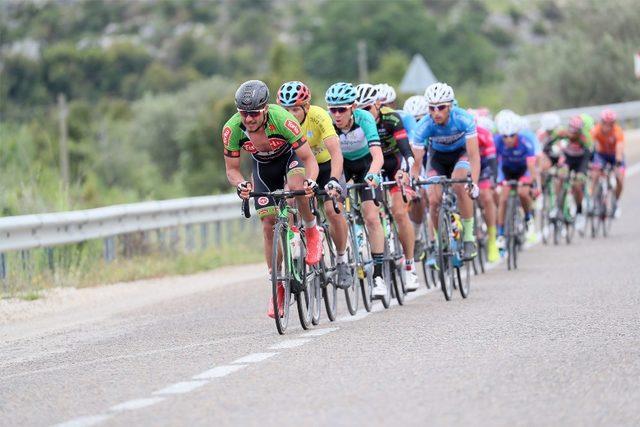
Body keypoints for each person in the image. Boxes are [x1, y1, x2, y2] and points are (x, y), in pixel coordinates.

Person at [223, 80, 321, 319]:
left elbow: (309, 159)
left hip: (290, 160)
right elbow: (232, 170)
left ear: (265, 108)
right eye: (244, 113)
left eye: (254, 113)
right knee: (268, 224)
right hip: (263, 169)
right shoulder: (232, 129)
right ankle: (277, 284)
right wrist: (241, 185)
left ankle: (310, 229)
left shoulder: (282, 119)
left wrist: (311, 182)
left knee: (297, 189)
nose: (249, 119)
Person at [276, 81, 352, 288]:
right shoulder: (280, 124)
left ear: (306, 107)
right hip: (300, 167)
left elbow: (336, 153)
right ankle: (295, 258)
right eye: (286, 110)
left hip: (326, 166)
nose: (290, 115)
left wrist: (334, 180)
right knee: (289, 200)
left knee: (331, 209)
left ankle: (341, 259)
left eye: (294, 109)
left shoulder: (319, 116)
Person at [325, 82, 387, 297]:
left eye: (342, 109)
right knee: (334, 211)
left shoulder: (365, 118)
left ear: (353, 107)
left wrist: (373, 172)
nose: (337, 114)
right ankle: (343, 256)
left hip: (365, 166)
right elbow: (328, 158)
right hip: (342, 167)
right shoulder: (328, 123)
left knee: (371, 217)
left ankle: (378, 275)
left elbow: (377, 155)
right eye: (333, 109)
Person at [355, 83, 419, 291]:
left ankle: (410, 267)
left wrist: (405, 171)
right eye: (360, 109)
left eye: (368, 109)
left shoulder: (392, 119)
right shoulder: (355, 123)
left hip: (394, 164)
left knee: (400, 213)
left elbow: (407, 152)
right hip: (372, 166)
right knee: (372, 215)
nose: (364, 113)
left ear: (378, 104)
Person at [411, 82, 481, 262]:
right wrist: (414, 181)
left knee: (459, 184)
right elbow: (416, 164)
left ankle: (468, 239)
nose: (436, 112)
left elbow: (473, 156)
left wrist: (474, 182)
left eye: (441, 107)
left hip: (461, 155)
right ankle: (440, 242)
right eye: (432, 108)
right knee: (433, 200)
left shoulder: (463, 119)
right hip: (438, 159)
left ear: (449, 106)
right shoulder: (424, 125)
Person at [493, 110, 540, 249]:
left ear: (517, 133)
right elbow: (495, 163)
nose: (508, 139)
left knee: (523, 192)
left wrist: (534, 183)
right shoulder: (497, 141)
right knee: (503, 198)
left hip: (523, 170)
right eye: (505, 136)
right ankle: (500, 234)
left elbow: (531, 165)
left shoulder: (526, 141)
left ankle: (528, 218)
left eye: (512, 136)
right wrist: (496, 180)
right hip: (507, 171)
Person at [469, 109, 500, 262]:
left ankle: (492, 239)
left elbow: (492, 160)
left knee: (486, 197)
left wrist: (493, 179)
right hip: (466, 167)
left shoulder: (484, 134)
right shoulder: (459, 134)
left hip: (484, 167)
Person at [557, 115, 593, 231]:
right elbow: (556, 146)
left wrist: (583, 172)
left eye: (575, 132)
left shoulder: (585, 138)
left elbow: (588, 156)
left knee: (577, 184)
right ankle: (559, 206)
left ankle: (579, 211)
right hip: (568, 159)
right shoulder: (563, 133)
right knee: (560, 176)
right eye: (571, 130)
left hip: (581, 161)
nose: (572, 134)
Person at [590, 108, 625, 216]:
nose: (607, 126)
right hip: (602, 155)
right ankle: (591, 200)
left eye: (611, 123)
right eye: (605, 123)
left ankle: (616, 202)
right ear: (602, 121)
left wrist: (618, 162)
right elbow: (589, 143)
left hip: (615, 155)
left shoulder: (617, 131)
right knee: (595, 174)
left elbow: (620, 147)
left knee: (619, 178)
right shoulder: (596, 130)